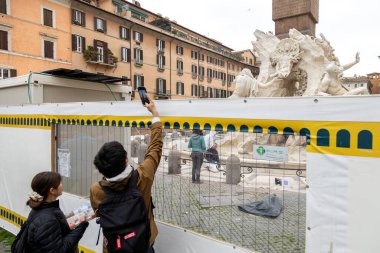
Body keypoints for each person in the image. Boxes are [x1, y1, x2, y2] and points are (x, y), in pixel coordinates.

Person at [90, 97, 162, 253]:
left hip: (114, 247)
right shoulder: (142, 177)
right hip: (143, 243)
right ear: (126, 160)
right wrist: (154, 114)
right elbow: (155, 148)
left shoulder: (96, 189)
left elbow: (97, 211)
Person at [21, 171, 88, 252]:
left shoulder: (41, 208)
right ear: (52, 190)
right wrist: (81, 226)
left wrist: (66, 225)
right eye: (60, 183)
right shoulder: (48, 220)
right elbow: (59, 250)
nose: (62, 185)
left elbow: (51, 236)